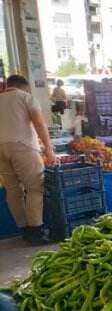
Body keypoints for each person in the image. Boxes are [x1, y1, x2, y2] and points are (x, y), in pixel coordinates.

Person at [0, 75, 56, 245]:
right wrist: (49, 149)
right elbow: (39, 123)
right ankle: (36, 232)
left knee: (12, 190)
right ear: (24, 86)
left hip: (0, 148)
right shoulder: (25, 97)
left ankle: (24, 229)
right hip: (23, 146)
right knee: (34, 188)